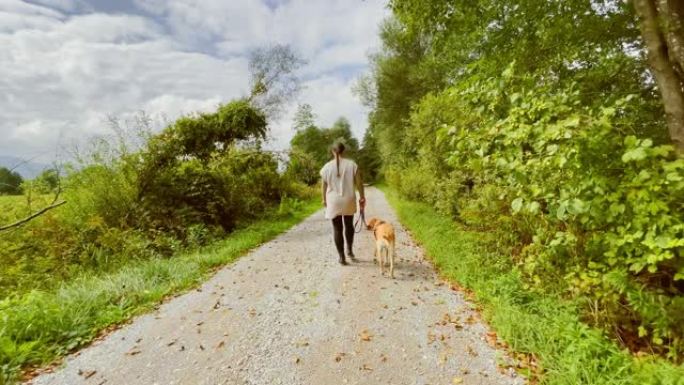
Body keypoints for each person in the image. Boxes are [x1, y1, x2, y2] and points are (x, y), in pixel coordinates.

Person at [320, 140, 365, 265]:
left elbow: (323, 185)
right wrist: (362, 197)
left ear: (332, 151)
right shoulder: (352, 165)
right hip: (348, 199)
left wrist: (324, 199)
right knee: (349, 225)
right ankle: (350, 251)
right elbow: (359, 183)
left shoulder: (326, 167)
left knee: (337, 228)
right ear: (343, 151)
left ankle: (342, 257)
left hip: (333, 201)